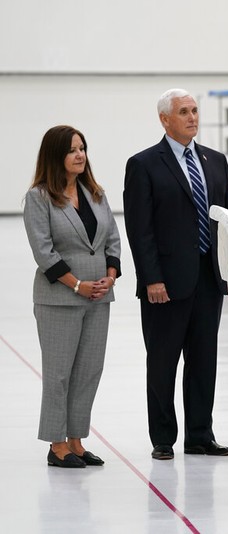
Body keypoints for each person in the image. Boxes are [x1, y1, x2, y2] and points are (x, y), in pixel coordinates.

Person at [124, 88, 228, 461]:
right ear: (165, 120)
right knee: (162, 361)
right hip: (166, 284)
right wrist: (151, 279)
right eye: (183, 112)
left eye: (194, 110)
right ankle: (163, 438)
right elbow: (139, 229)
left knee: (204, 360)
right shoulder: (144, 164)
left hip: (208, 280)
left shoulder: (215, 161)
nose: (192, 117)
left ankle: (199, 435)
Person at [23, 125, 121, 468]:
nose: (80, 155)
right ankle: (57, 444)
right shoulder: (39, 197)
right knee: (59, 374)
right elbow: (44, 252)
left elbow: (112, 240)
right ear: (56, 156)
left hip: (98, 297)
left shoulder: (95, 193)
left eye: (82, 148)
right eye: (72, 150)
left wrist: (109, 277)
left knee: (88, 371)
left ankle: (77, 440)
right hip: (60, 299)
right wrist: (78, 284)